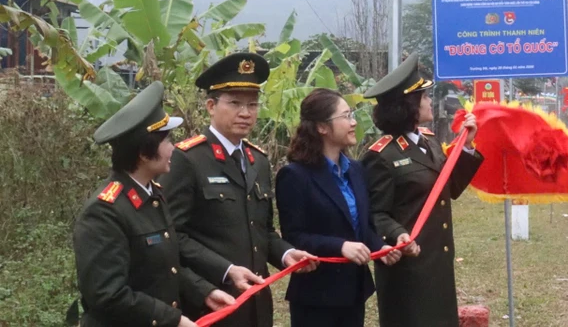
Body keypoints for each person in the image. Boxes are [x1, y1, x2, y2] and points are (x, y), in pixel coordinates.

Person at [161, 53, 317, 327]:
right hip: (210, 299)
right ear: (211, 106)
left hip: (255, 301)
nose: (245, 113)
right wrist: (226, 270)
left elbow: (262, 230)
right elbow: (173, 235)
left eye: (253, 105)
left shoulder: (258, 160)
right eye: (234, 103)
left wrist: (285, 254)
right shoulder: (188, 159)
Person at [73, 81, 236, 327]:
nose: (173, 148)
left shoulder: (154, 196)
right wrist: (173, 319)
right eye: (167, 141)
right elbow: (107, 294)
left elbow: (166, 268)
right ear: (144, 152)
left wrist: (205, 292)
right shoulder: (105, 211)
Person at [362, 54, 483, 326]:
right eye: (424, 97)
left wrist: (466, 146)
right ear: (409, 105)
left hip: (437, 258)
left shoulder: (428, 141)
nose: (429, 101)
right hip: (407, 265)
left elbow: (449, 187)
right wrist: (397, 235)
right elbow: (374, 213)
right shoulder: (381, 156)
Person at [275, 88, 404, 327]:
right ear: (322, 127)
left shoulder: (355, 170)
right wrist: (340, 246)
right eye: (346, 116)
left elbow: (362, 227)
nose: (353, 122)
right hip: (316, 296)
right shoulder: (294, 176)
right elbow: (295, 237)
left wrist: (380, 247)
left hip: (354, 291)